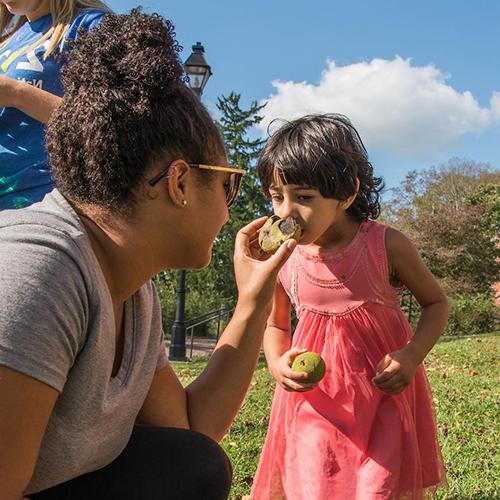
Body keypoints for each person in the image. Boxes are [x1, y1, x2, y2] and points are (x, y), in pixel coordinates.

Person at [0, 10, 297, 500]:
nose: (231, 202)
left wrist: (255, 299)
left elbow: (188, 434)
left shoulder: (132, 287)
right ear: (180, 183)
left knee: (191, 466)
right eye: (228, 182)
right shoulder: (39, 270)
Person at [250, 114, 450, 499]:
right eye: (277, 197)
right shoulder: (281, 255)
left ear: (346, 192)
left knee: (379, 489)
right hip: (316, 403)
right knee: (313, 484)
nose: (286, 212)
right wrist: (276, 363)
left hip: (383, 401)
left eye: (304, 197)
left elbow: (437, 303)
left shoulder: (386, 246)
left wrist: (410, 355)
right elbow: (275, 324)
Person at [0, 0, 109, 210]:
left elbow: (107, 125)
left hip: (41, 204)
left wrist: (16, 93)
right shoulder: (10, 39)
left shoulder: (91, 25)